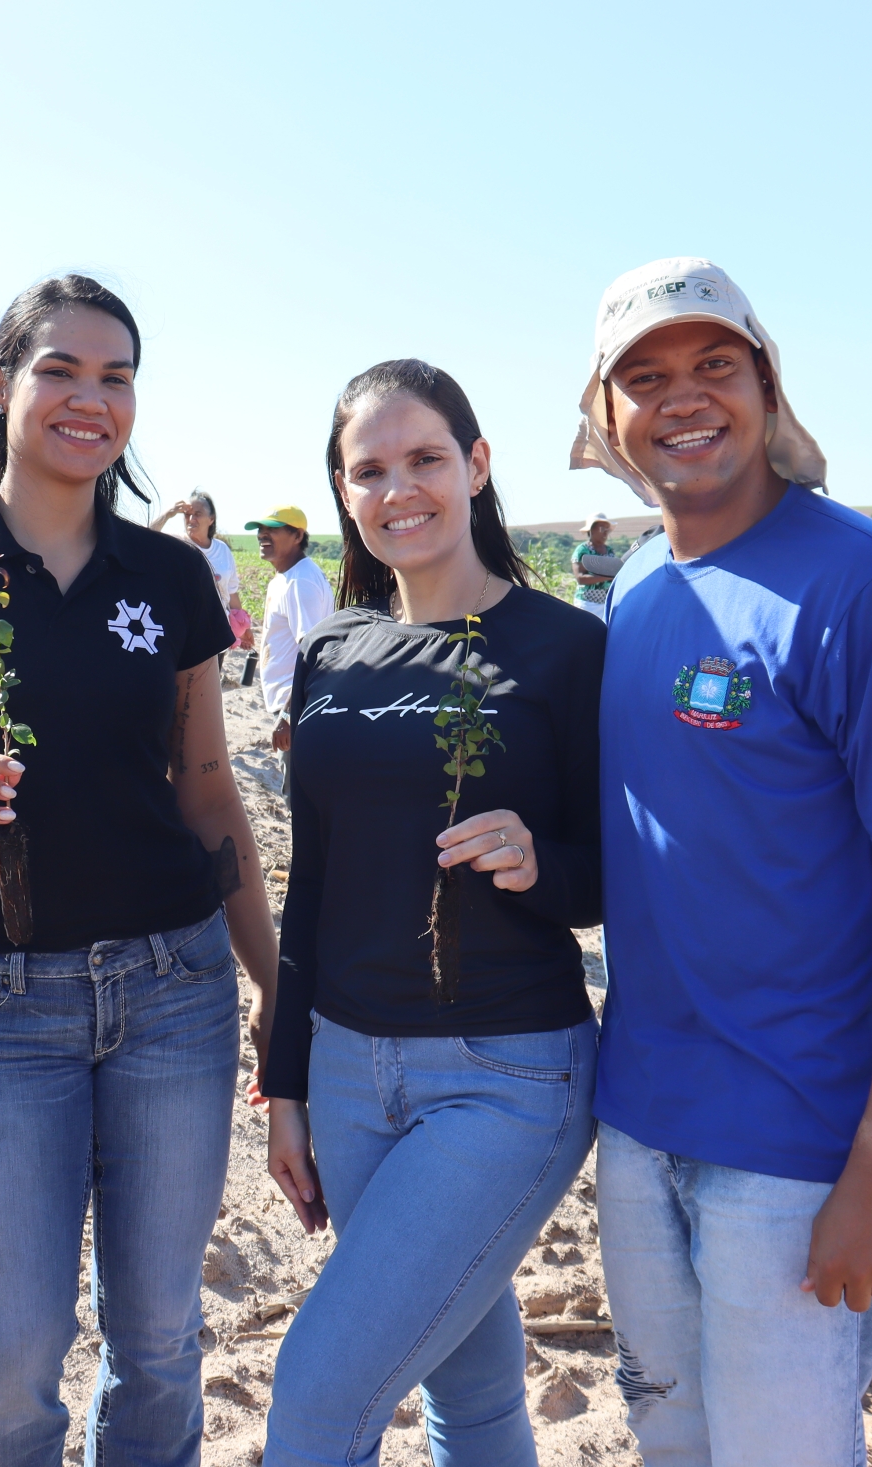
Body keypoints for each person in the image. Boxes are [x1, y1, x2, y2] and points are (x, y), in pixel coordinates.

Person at [0, 274, 279, 1466]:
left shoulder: (171, 579)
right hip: (3, 1005)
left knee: (159, 1337)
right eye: (60, 371)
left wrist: (271, 983)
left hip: (176, 993)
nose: (93, 399)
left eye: (116, 376)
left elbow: (207, 791)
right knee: (12, 1352)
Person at [572, 258, 872, 1464]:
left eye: (716, 364)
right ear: (605, 415)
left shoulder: (870, 583)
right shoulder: (636, 589)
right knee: (669, 1440)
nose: (682, 397)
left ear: (767, 386)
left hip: (801, 1142)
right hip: (640, 1115)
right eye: (643, 377)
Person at [260, 359, 603, 1465]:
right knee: (471, 1384)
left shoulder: (569, 650)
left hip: (507, 1075)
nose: (397, 489)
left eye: (425, 459)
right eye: (368, 470)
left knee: (320, 1396)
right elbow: (312, 882)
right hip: (347, 1073)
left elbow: (616, 877)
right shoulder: (331, 653)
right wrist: (285, 1083)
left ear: (477, 465)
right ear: (343, 490)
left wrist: (539, 862)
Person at [242, 504, 332, 759]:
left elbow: (315, 654)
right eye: (260, 529)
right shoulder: (287, 576)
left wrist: (288, 714)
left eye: (272, 528)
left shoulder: (299, 581)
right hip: (292, 703)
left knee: (295, 782)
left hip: (298, 707)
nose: (262, 534)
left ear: (297, 535)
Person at [152, 490, 253, 654]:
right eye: (187, 514)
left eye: (198, 514)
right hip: (182, 633)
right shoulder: (175, 543)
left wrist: (244, 628)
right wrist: (168, 513)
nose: (191, 519)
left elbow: (231, 592)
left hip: (216, 634)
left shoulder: (222, 550)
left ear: (211, 519)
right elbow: (146, 536)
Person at [569, 510, 623, 620]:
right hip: (587, 604)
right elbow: (580, 578)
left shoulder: (609, 551)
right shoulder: (582, 550)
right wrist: (608, 576)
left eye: (607, 529)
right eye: (602, 528)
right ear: (591, 530)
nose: (605, 532)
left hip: (607, 603)